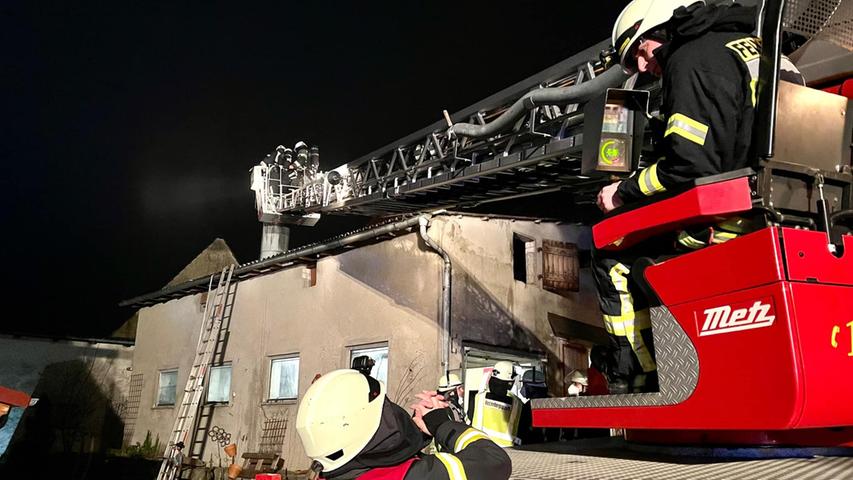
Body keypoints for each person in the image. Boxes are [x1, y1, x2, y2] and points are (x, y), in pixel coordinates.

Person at [595, 0, 803, 394]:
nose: (642, 66)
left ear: (662, 28)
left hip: (730, 226)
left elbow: (691, 166)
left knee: (611, 251)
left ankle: (639, 380)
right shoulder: (762, 47)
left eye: (641, 51)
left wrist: (622, 193)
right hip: (788, 217)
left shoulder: (690, 60)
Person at [295, 369, 511, 480]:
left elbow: (379, 453)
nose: (390, 414)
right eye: (383, 411)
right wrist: (441, 424)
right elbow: (493, 461)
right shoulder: (413, 476)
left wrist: (416, 433)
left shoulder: (335, 470)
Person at [470, 361, 523, 448]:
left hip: (479, 449)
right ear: (510, 383)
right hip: (507, 452)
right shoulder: (517, 404)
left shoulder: (478, 398)